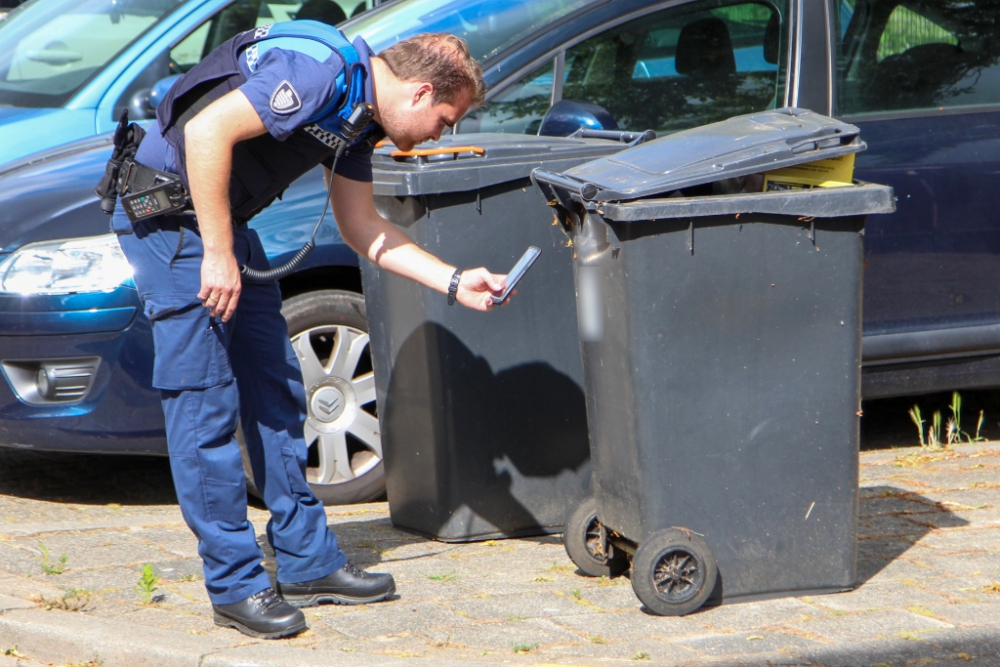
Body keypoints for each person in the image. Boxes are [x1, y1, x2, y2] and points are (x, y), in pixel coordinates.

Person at [107, 21, 503, 639]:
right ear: (422, 93)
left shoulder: (358, 115)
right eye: (446, 120)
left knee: (277, 389)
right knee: (204, 405)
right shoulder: (321, 75)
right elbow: (207, 131)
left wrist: (454, 281)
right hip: (172, 220)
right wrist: (216, 251)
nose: (440, 134)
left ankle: (307, 561)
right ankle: (236, 586)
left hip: (219, 223)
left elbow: (361, 226)